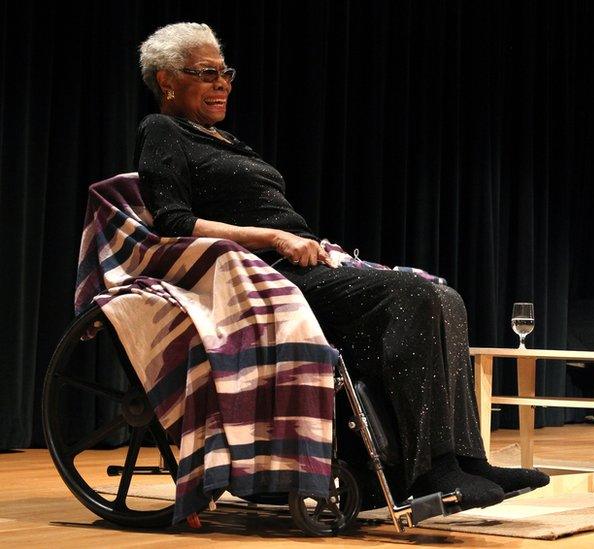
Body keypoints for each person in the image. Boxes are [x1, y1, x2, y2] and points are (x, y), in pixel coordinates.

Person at [135, 22, 547, 510]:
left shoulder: (226, 141)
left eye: (225, 72)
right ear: (167, 82)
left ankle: (464, 458)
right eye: (205, 73)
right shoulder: (162, 130)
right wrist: (276, 236)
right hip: (260, 276)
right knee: (409, 296)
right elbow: (173, 222)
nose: (222, 83)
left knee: (445, 296)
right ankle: (428, 470)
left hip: (301, 263)